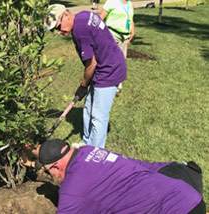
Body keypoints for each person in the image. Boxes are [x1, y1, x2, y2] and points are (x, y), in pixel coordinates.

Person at [33, 139, 206, 214]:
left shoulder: (72, 191)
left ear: (55, 166)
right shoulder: (90, 151)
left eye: (48, 172)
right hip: (189, 196)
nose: (51, 176)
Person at [45, 4, 127, 148]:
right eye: (54, 31)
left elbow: (91, 64)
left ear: (65, 15)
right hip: (103, 67)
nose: (58, 32)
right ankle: (88, 143)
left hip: (109, 70)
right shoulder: (83, 15)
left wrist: (83, 85)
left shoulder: (79, 31)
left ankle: (96, 153)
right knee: (88, 108)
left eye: (57, 27)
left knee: (98, 116)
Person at [100, 0, 135, 96]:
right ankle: (105, 84)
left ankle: (118, 85)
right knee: (110, 60)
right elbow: (100, 19)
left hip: (124, 37)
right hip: (112, 35)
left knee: (121, 61)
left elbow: (130, 18)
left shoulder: (129, 4)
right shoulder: (111, 2)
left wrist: (132, 30)